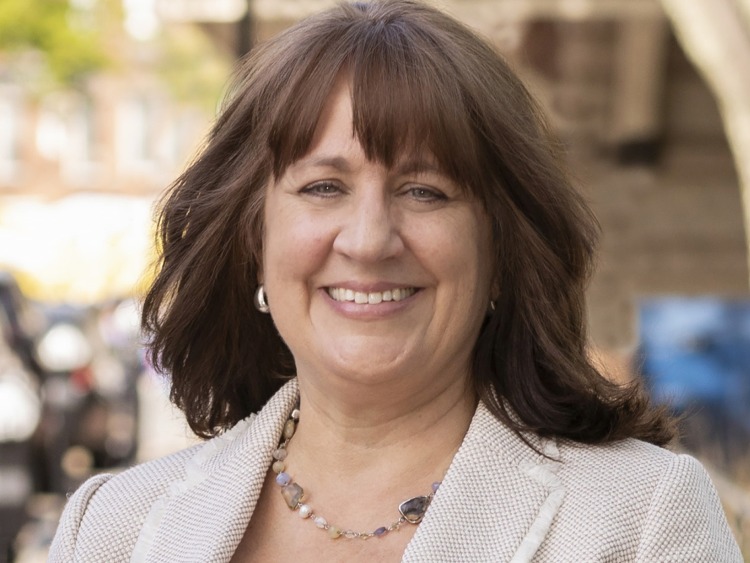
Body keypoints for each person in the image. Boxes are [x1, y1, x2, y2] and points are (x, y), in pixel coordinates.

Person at [49, 1, 743, 561]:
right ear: (252, 241)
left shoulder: (638, 520)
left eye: (425, 191)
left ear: (502, 250)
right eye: (323, 187)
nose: (369, 240)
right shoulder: (113, 529)